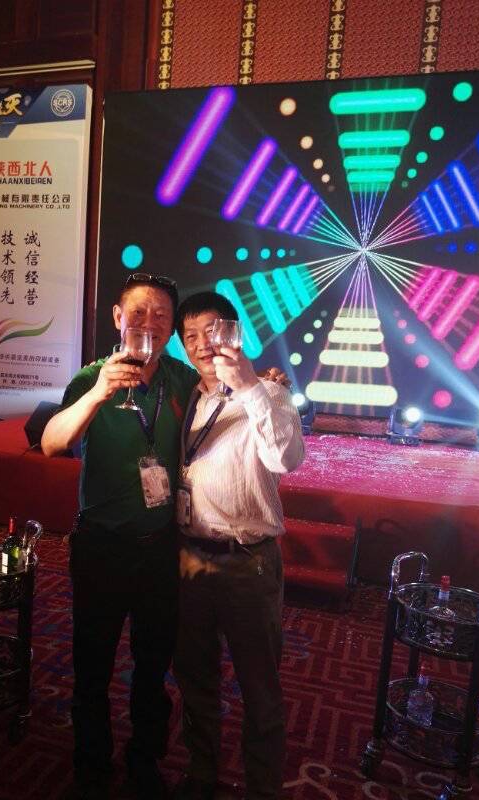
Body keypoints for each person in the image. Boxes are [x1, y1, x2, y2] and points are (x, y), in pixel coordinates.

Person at [42, 273, 199, 800]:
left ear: (172, 328)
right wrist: (99, 393)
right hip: (101, 548)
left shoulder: (180, 379)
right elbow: (52, 443)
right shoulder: (91, 377)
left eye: (161, 315)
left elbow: (225, 396)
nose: (148, 324)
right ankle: (90, 764)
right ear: (117, 318)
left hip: (160, 549)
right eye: (138, 313)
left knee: (153, 666)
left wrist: (265, 382)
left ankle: (144, 761)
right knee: (92, 663)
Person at [172, 292, 305, 800]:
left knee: (259, 685)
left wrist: (249, 385)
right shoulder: (190, 397)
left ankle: (263, 788)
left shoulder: (268, 393)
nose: (202, 344)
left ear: (235, 333)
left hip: (249, 562)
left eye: (212, 331)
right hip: (190, 560)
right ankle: (202, 772)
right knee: (195, 676)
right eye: (191, 336)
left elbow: (286, 459)